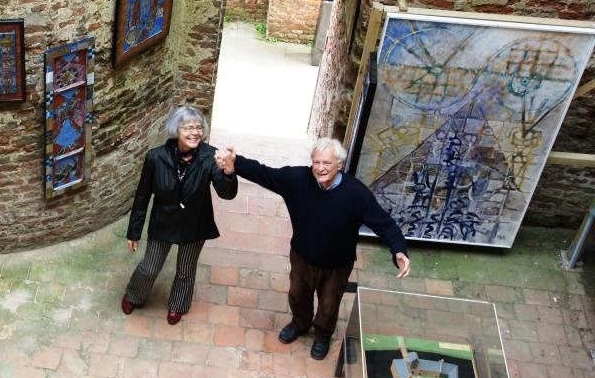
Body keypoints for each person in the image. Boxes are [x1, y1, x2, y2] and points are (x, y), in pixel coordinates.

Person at [215, 138, 410, 360]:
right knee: (297, 295)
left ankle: (323, 335)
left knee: (329, 305)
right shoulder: (297, 180)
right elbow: (264, 173)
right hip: (302, 256)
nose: (320, 168)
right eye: (316, 162)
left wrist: (399, 250)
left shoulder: (357, 194)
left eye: (326, 162)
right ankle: (300, 323)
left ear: (339, 164)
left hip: (337, 265)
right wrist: (235, 162)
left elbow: (384, 223)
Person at [122, 106, 238, 325]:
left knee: (185, 270)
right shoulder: (155, 157)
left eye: (199, 128)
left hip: (195, 224)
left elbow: (226, 193)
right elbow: (142, 197)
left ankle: (178, 305)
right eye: (189, 128)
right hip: (163, 222)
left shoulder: (209, 157)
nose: (195, 132)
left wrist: (229, 172)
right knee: (149, 267)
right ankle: (134, 295)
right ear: (176, 130)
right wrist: (134, 232)